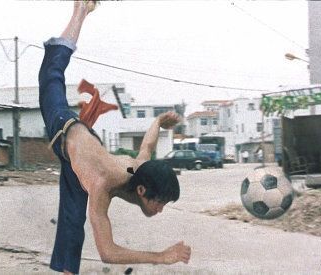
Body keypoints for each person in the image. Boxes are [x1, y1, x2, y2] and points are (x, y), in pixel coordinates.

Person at [38, 1, 191, 274]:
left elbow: (147, 146)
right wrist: (160, 256)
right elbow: (107, 252)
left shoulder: (136, 168)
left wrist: (157, 121)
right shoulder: (103, 184)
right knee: (51, 74)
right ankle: (80, 10)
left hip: (87, 146)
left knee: (72, 220)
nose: (160, 210)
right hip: (65, 130)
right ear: (141, 192)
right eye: (159, 203)